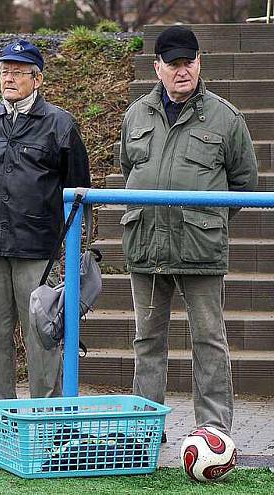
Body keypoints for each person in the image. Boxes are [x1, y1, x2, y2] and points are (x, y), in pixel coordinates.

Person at [120, 26, 257, 437]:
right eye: (175, 64)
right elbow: (130, 168)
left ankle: (213, 429)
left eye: (190, 62)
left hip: (200, 247)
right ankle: (144, 427)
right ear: (156, 67)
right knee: (147, 341)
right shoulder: (136, 114)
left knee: (209, 341)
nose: (184, 71)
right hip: (146, 243)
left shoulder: (225, 117)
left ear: (200, 63)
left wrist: (207, 222)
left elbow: (244, 183)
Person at [0, 40, 91, 435]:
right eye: (4, 69)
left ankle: (48, 414)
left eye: (19, 71)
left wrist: (65, 245)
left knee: (42, 335)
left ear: (38, 78)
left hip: (38, 247)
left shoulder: (60, 124)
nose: (9, 77)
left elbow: (77, 190)